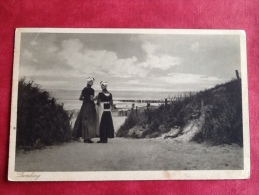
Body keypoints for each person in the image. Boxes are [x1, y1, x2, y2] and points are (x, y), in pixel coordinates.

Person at [72, 77, 97, 143]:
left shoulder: (84, 89)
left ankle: (81, 137)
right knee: (89, 121)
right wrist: (97, 98)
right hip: (90, 106)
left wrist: (86, 99)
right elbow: (91, 99)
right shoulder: (91, 90)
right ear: (90, 82)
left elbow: (80, 98)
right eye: (92, 82)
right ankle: (87, 138)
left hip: (84, 106)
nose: (92, 83)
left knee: (83, 120)